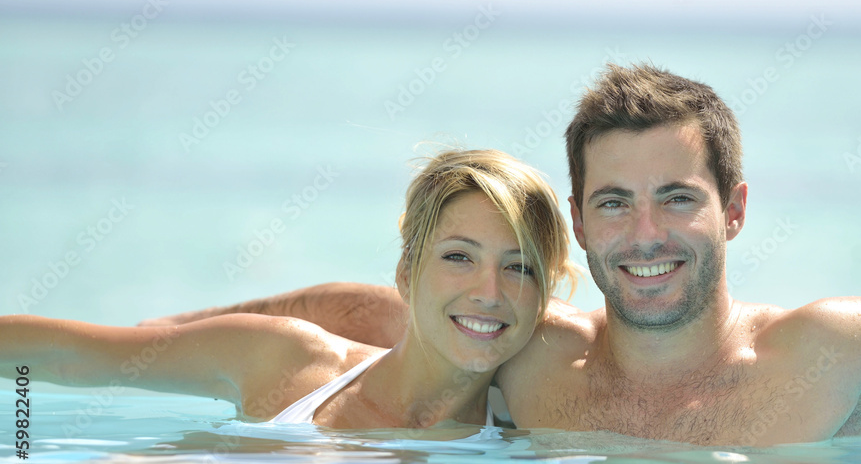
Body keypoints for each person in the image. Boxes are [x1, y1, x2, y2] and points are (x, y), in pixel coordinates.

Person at [142, 64, 861, 446]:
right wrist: (169, 328)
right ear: (581, 226)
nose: (645, 237)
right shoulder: (535, 352)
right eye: (614, 204)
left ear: (734, 209)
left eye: (677, 198)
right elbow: (357, 308)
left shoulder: (828, 350)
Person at [2, 149, 576, 429]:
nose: (489, 291)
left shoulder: (528, 442)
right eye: (458, 257)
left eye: (519, 267)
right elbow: (70, 357)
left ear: (545, 295)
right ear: (406, 272)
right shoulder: (288, 363)